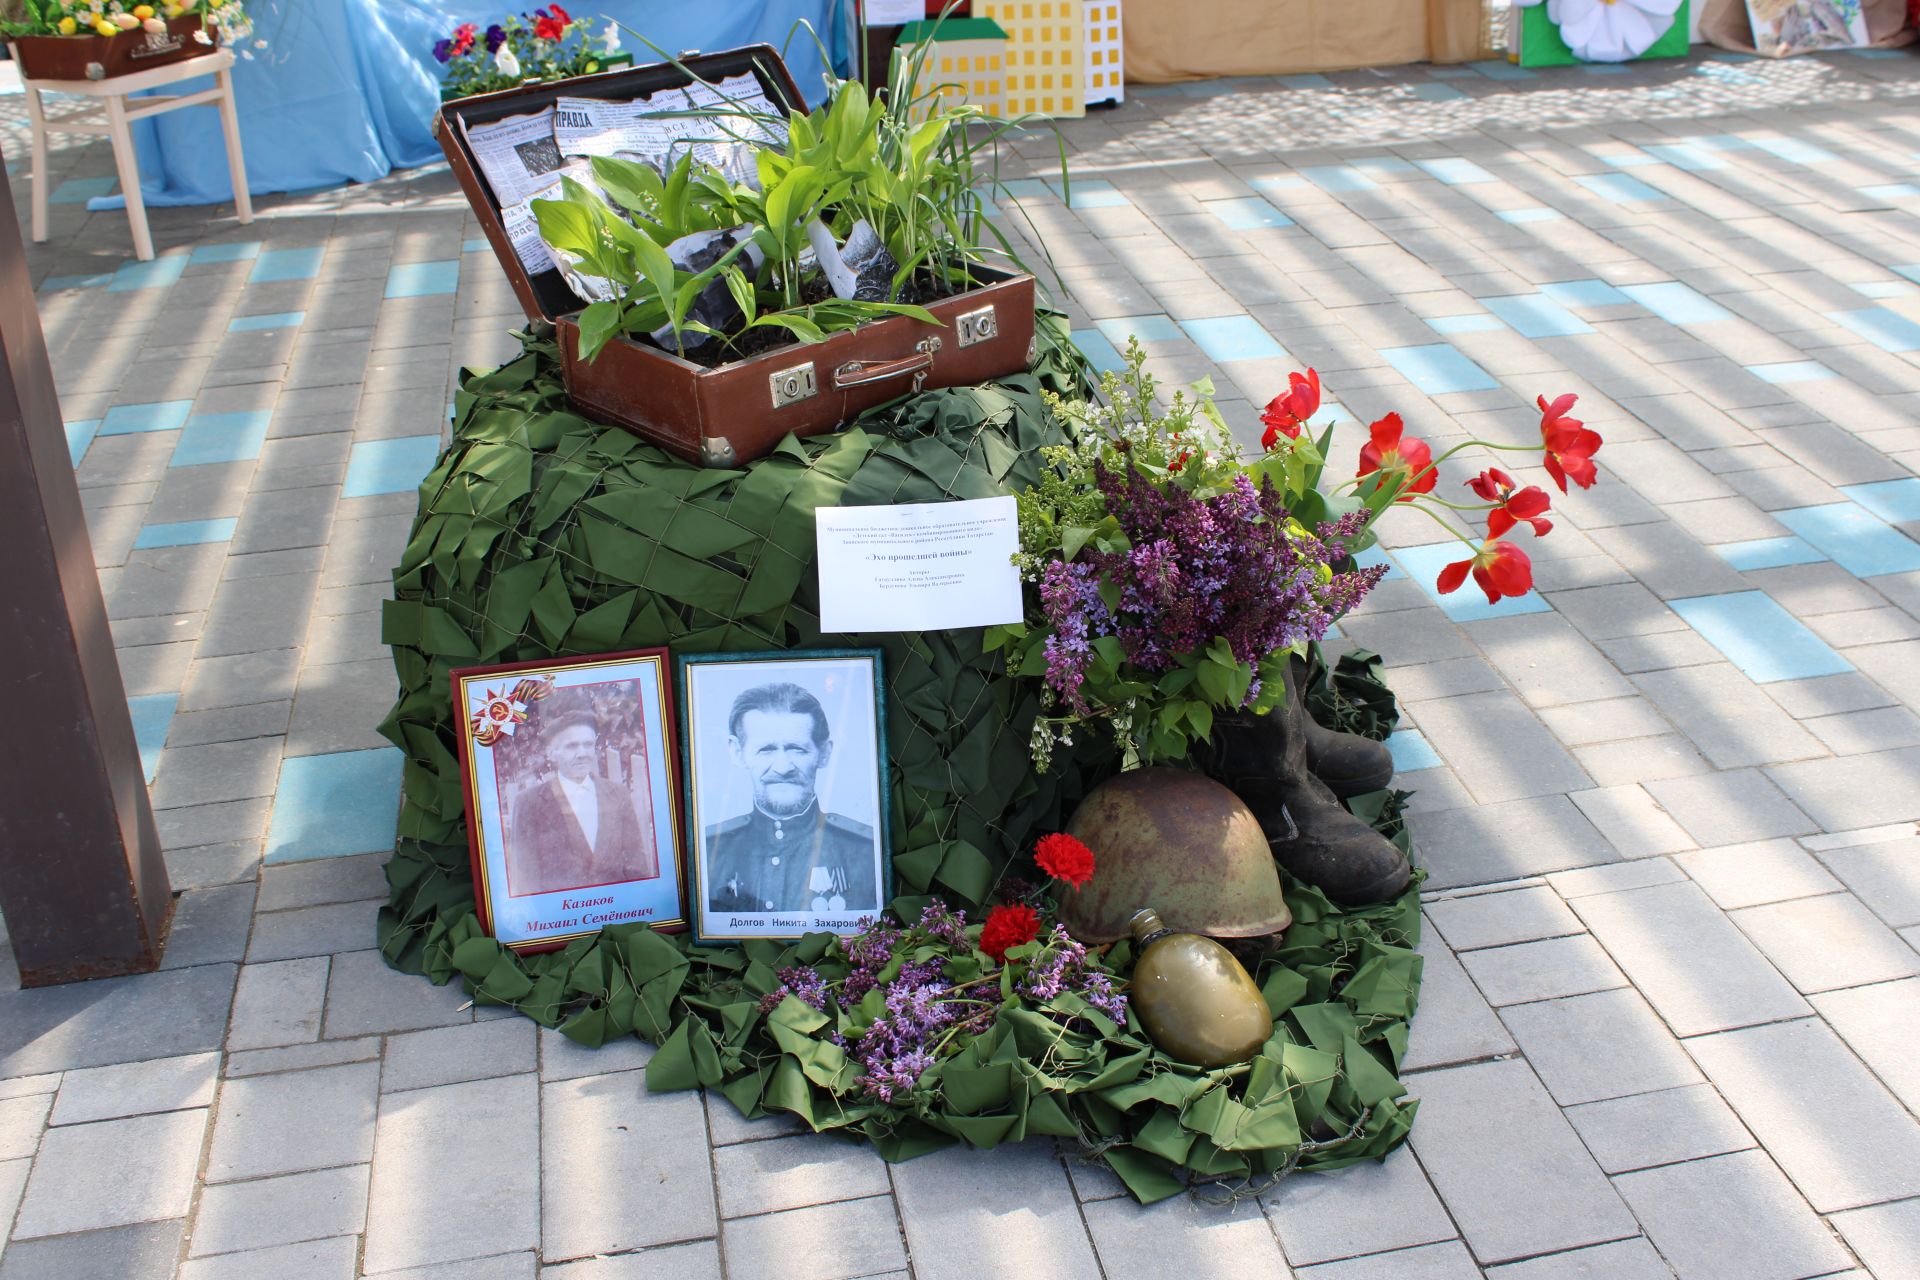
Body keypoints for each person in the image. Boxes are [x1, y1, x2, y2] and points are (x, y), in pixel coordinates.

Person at [704, 681, 877, 915]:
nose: (783, 767)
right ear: (737, 752)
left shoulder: (866, 850)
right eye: (766, 750)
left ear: (824, 753)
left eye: (797, 749)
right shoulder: (708, 851)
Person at [506, 708, 656, 896]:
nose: (582, 753)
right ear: (552, 753)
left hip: (619, 909)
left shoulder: (618, 795)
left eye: (588, 744)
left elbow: (637, 865)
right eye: (571, 746)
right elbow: (525, 879)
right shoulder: (529, 803)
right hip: (561, 916)